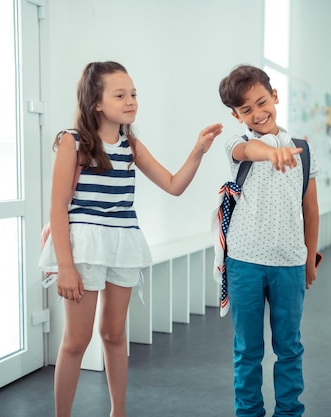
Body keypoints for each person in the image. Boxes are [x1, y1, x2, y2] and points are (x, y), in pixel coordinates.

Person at [38, 61, 223, 417]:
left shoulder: (131, 146)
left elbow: (173, 185)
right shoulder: (72, 142)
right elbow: (58, 208)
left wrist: (198, 150)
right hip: (84, 245)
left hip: (123, 242)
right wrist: (65, 267)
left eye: (133, 94)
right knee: (76, 340)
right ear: (96, 101)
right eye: (120, 94)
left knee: (114, 334)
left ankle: (117, 412)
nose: (130, 101)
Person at [218, 64, 320, 417]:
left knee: (289, 347)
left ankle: (290, 412)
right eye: (246, 110)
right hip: (244, 262)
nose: (258, 113)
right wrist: (269, 150)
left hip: (290, 264)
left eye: (262, 102)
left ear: (275, 97)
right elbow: (249, 153)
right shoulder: (238, 144)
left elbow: (311, 209)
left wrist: (309, 261)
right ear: (236, 115)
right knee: (247, 349)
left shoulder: (303, 150)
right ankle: (248, 412)